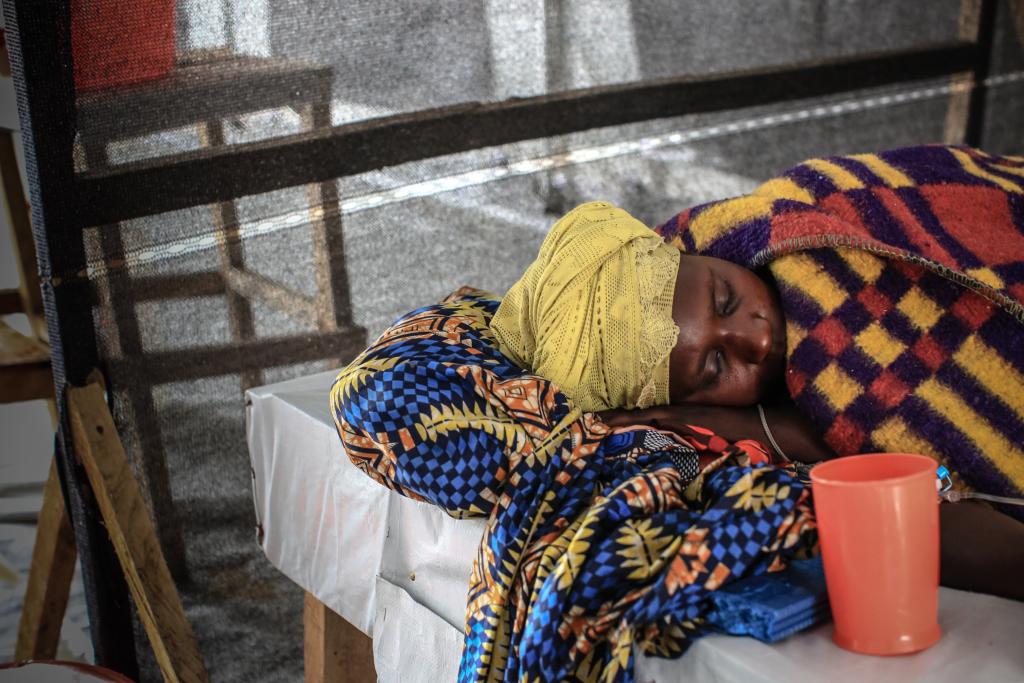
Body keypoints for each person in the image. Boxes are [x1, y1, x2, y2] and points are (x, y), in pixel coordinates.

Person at [332, 145, 1024, 681]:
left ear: (695, 253)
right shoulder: (720, 432)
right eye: (716, 366)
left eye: (725, 299)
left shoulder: (786, 230)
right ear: (681, 404)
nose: (756, 335)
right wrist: (769, 431)